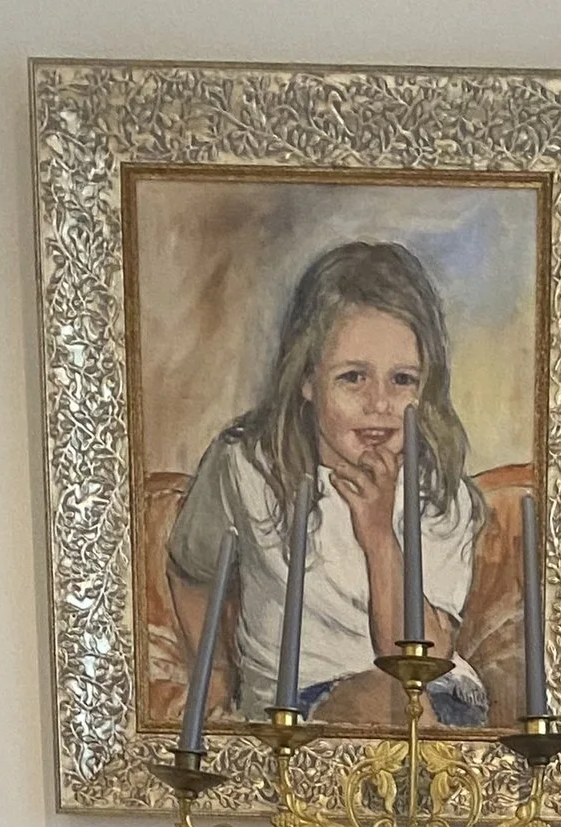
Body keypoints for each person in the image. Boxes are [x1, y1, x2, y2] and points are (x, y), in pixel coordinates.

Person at [166, 239, 489, 729]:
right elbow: (191, 570)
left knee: (389, 701)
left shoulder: (439, 490)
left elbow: (423, 656)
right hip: (294, 707)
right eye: (353, 377)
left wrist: (379, 534)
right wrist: (214, 674)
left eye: (402, 380)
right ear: (307, 379)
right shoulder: (245, 464)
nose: (379, 403)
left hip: (429, 697)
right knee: (371, 709)